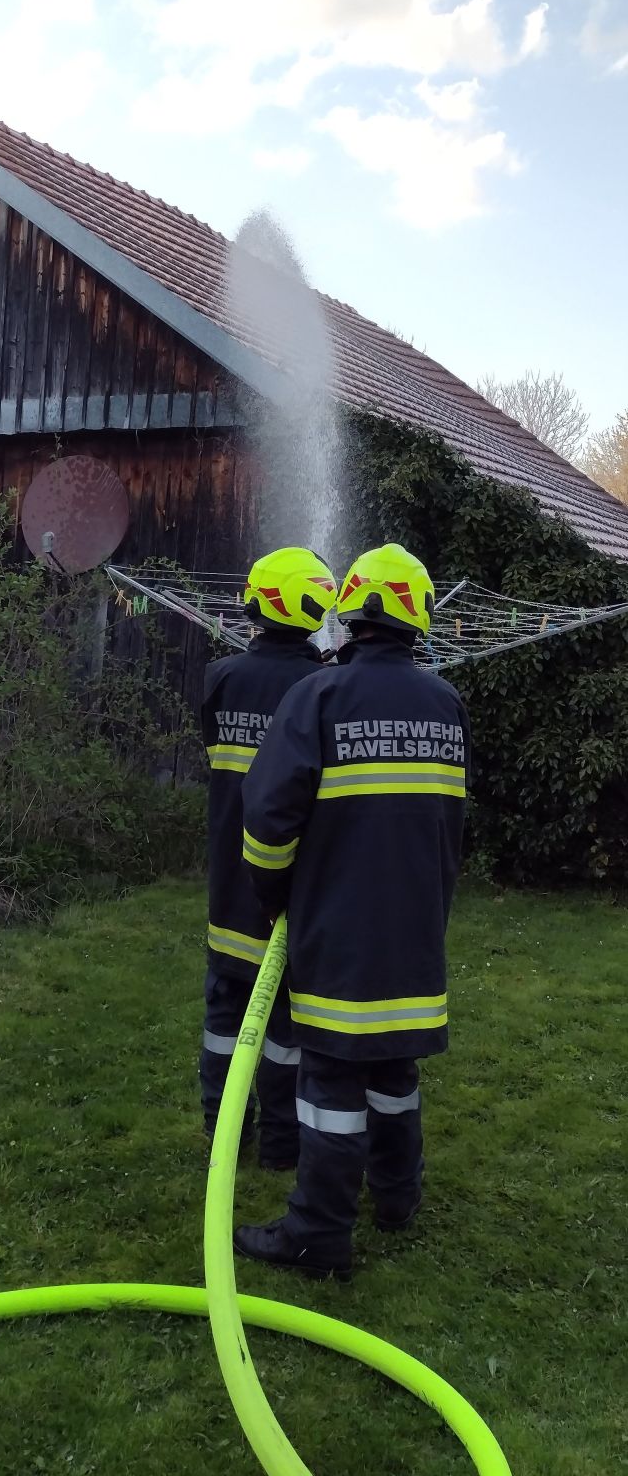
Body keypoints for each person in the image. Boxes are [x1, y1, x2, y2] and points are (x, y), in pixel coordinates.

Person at [235, 543, 470, 1277]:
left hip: (338, 928)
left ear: (351, 609)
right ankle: (397, 1196)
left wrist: (274, 895)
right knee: (394, 1067)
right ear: (416, 615)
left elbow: (267, 819)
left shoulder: (319, 697)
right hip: (415, 926)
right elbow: (449, 827)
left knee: (332, 1081)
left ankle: (318, 1233)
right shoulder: (445, 704)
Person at [200, 545, 338, 1170]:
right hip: (291, 887)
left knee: (224, 1014)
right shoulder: (321, 689)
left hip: (229, 883)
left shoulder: (220, 677)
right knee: (285, 1026)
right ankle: (282, 1145)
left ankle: (221, 1131)